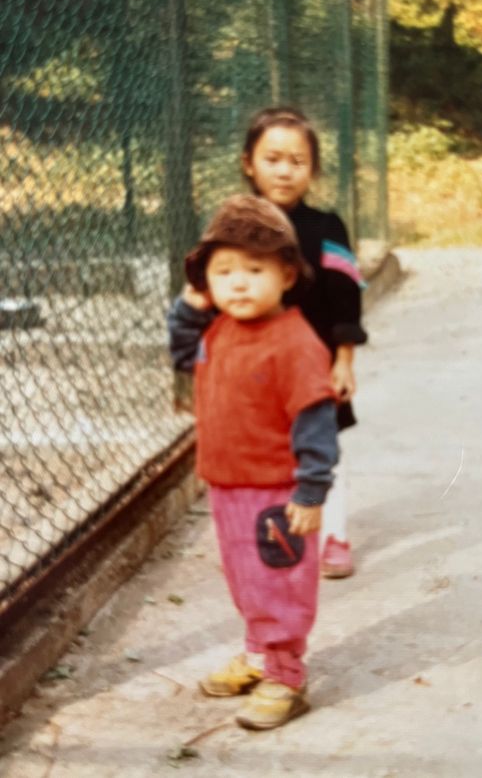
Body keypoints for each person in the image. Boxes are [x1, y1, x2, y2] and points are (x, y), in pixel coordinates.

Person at [167, 194, 339, 730]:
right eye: (224, 272)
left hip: (277, 493)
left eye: (254, 269)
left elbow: (316, 425)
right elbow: (181, 353)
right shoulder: (220, 329)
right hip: (228, 487)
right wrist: (189, 307)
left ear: (286, 275)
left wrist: (311, 492)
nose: (238, 283)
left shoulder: (294, 343)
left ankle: (286, 674)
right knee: (246, 579)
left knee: (279, 582)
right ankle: (259, 652)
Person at [241, 106, 368, 579]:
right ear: (248, 163)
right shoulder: (236, 225)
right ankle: (266, 532)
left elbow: (346, 296)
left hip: (313, 362)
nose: (284, 170)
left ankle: (333, 535)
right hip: (254, 364)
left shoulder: (326, 228)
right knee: (265, 449)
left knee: (322, 444)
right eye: (272, 158)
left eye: (297, 161)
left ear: (312, 170)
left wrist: (344, 359)